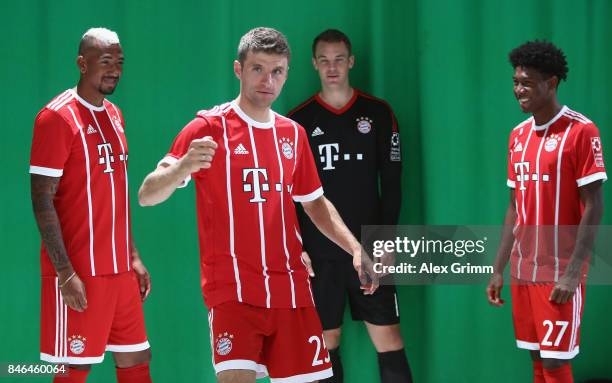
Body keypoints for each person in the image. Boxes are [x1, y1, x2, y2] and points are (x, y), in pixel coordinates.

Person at [137, 27, 378, 383]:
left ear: (286, 74)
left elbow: (315, 204)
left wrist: (355, 249)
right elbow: (146, 194)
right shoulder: (208, 127)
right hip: (233, 291)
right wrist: (183, 167)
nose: (268, 80)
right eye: (258, 69)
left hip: (291, 290)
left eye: (277, 71)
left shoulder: (292, 134)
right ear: (239, 69)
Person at [288, 29, 412, 383]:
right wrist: (297, 246)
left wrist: (386, 241)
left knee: (389, 341)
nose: (332, 67)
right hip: (319, 251)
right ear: (313, 64)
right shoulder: (299, 121)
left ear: (351, 61)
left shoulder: (378, 113)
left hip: (369, 250)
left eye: (339, 59)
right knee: (327, 345)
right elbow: (288, 195)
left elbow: (391, 185)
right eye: (324, 60)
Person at [30, 28, 153, 383]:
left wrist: (132, 256)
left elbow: (115, 193)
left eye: (119, 61)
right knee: (73, 369)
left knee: (137, 359)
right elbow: (41, 199)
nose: (114, 69)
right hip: (80, 274)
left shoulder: (115, 115)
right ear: (82, 64)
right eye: (105, 61)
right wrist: (64, 273)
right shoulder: (56, 118)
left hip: (120, 274)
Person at [487, 40, 606, 383]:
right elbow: (514, 207)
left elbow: (594, 205)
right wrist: (498, 268)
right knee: (538, 357)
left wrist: (573, 273)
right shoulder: (518, 136)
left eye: (527, 83)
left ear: (551, 83)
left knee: (555, 362)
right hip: (524, 269)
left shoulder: (582, 131)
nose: (518, 90)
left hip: (560, 269)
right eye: (515, 82)